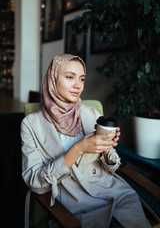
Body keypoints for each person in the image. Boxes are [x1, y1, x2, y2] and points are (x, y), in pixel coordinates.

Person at [21, 54, 151, 228]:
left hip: (114, 193)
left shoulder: (90, 114)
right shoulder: (31, 125)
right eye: (69, 77)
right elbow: (36, 183)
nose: (78, 85)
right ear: (53, 78)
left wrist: (107, 148)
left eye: (81, 79)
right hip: (75, 203)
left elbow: (111, 166)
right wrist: (79, 149)